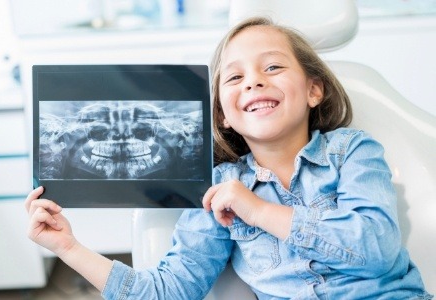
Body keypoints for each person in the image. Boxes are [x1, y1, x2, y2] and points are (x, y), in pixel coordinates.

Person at [25, 17, 433, 299]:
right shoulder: (218, 190)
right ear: (223, 113)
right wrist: (68, 247)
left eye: (273, 66)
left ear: (314, 90)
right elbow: (169, 292)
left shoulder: (354, 153)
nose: (254, 80)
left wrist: (257, 210)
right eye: (235, 77)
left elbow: (376, 248)